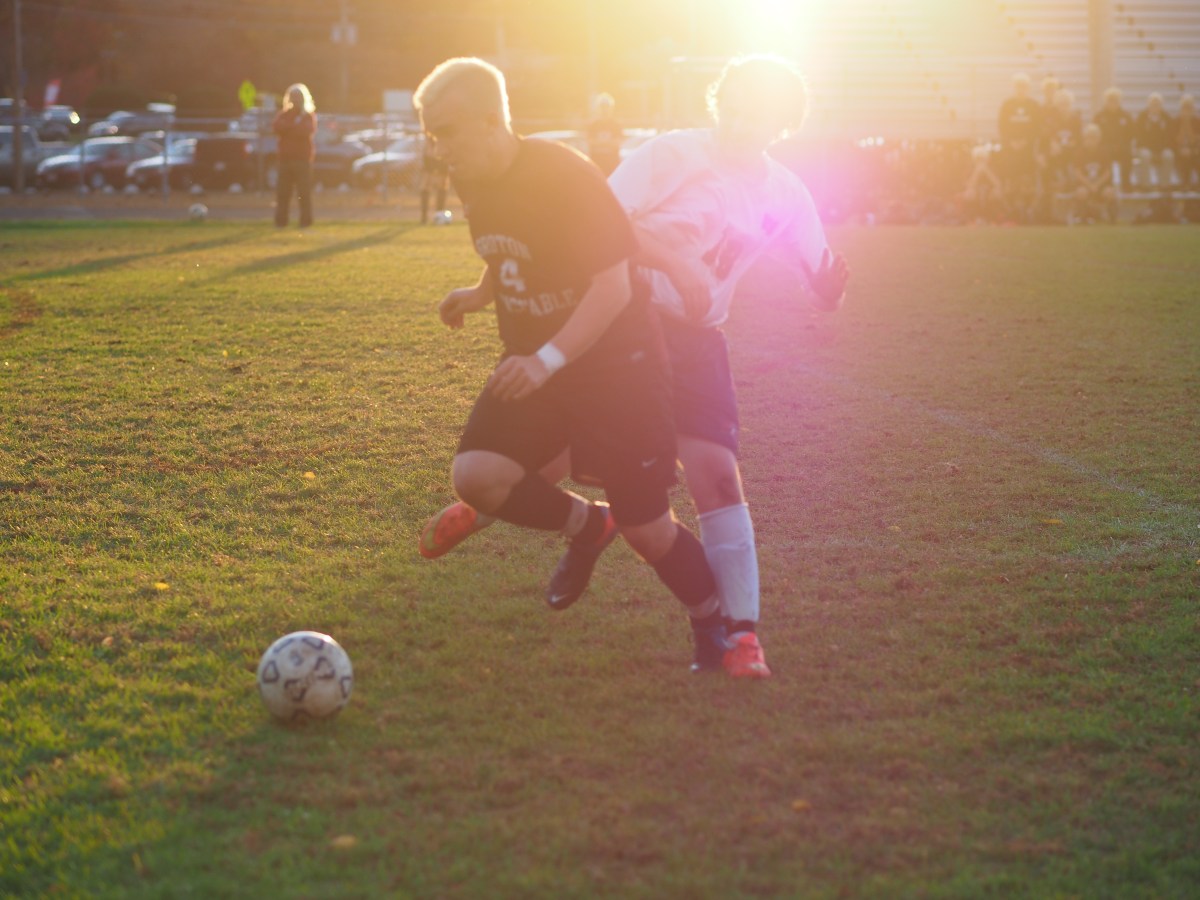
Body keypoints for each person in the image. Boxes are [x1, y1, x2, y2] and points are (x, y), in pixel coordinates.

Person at [420, 55, 850, 679]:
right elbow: (596, 227)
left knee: (711, 482)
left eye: (757, 114)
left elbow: (821, 279)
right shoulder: (671, 155)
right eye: (733, 107)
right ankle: (530, 515)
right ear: (718, 102)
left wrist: (831, 292)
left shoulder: (785, 193)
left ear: (782, 123)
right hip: (621, 322)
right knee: (552, 459)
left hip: (683, 343)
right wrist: (671, 261)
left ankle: (740, 633)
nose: (740, 122)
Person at [996, 73, 1041, 222]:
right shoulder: (1007, 105)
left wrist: (1026, 141)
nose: (1021, 89)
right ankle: (1012, 210)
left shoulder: (1033, 105)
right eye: (1018, 86)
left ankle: (1027, 211)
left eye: (1024, 86)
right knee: (1011, 181)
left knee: (1026, 181)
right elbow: (1002, 126)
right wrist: (1011, 142)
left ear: (1028, 88)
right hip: (1011, 151)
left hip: (1027, 152)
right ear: (1014, 88)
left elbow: (1037, 127)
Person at [272, 83, 316, 228]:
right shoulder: (283, 114)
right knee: (282, 193)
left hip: (302, 160)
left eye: (298, 97)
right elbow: (277, 127)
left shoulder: (307, 116)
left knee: (304, 193)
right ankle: (281, 221)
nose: (296, 100)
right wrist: (293, 126)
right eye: (293, 97)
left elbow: (305, 131)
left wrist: (288, 128)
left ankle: (305, 221)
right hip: (284, 160)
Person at [1070, 123, 1116, 224]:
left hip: (1101, 185)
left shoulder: (1104, 152)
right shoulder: (1079, 152)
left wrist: (1097, 184)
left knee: (1109, 192)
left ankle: (1112, 218)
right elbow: (1077, 172)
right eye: (1089, 137)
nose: (1091, 140)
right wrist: (1090, 185)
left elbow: (1107, 172)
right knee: (1081, 192)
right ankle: (1082, 217)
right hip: (1084, 184)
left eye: (1094, 137)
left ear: (1099, 138)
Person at [1093, 86, 1135, 189]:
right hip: (1105, 147)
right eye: (1110, 100)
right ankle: (1108, 184)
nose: (1112, 103)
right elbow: (1095, 133)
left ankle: (1126, 183)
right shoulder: (1099, 116)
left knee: (1127, 155)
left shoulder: (1126, 116)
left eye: (1115, 100)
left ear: (1119, 101)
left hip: (1122, 147)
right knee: (1105, 155)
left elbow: (1131, 134)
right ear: (1106, 101)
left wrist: (1122, 144)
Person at [1134, 92, 1175, 188]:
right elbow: (1139, 135)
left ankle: (1165, 184)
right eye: (1153, 104)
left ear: (1161, 106)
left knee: (1168, 155)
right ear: (1149, 105)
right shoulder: (1142, 117)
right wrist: (1149, 147)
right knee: (1145, 155)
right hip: (1145, 147)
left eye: (1157, 105)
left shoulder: (1166, 117)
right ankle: (1146, 185)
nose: (1155, 107)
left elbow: (1170, 136)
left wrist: (1160, 149)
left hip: (1162, 148)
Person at [585, 93, 624, 176]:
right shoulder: (593, 125)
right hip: (597, 164)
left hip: (612, 165)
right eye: (602, 107)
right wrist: (608, 143)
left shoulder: (616, 125)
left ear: (611, 108)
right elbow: (590, 142)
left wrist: (599, 142)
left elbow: (617, 143)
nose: (604, 110)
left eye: (606, 107)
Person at [419, 136, 450, 224]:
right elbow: (427, 155)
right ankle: (424, 216)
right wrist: (431, 169)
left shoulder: (444, 138)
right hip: (430, 165)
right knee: (425, 186)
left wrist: (441, 170)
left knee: (442, 186)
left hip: (442, 164)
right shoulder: (429, 140)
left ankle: (439, 214)